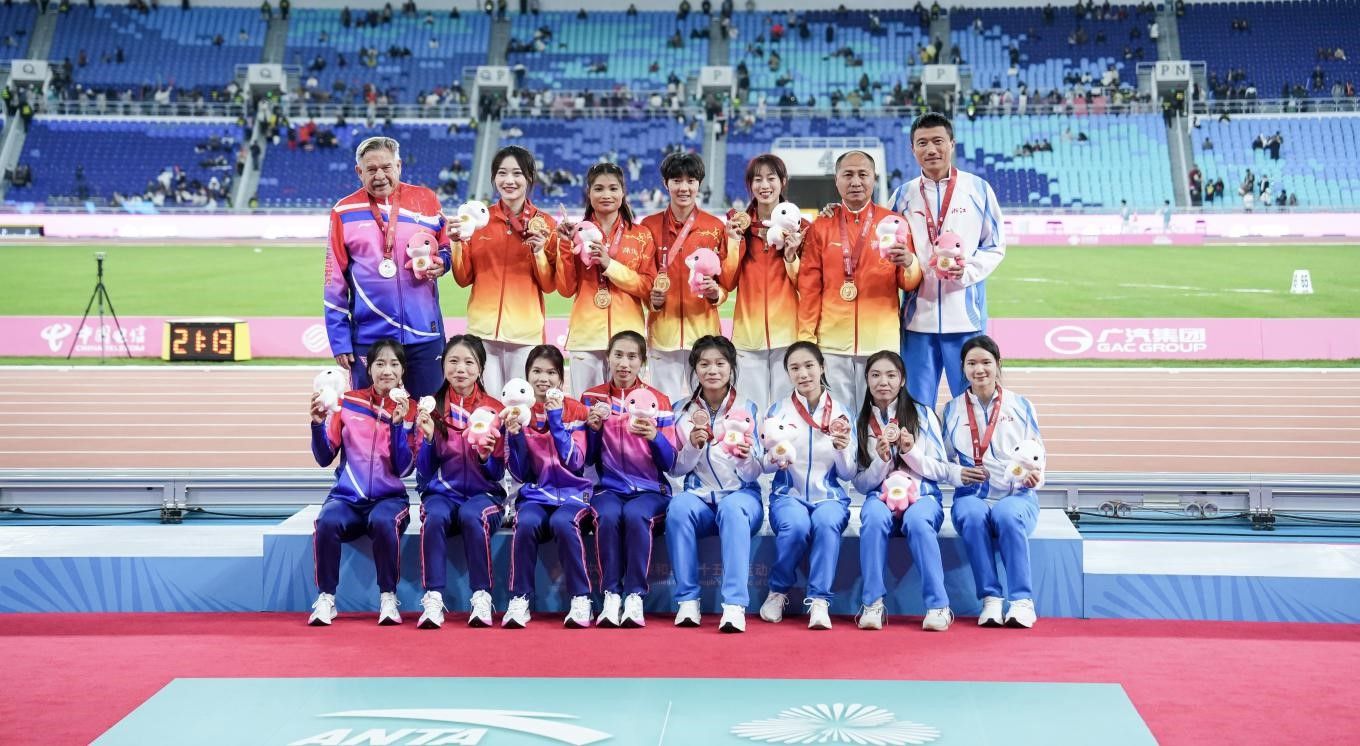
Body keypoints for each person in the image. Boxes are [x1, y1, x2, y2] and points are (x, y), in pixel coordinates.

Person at [889, 111, 1006, 410]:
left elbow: (995, 245)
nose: (931, 149)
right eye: (922, 143)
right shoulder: (902, 195)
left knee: (973, 404)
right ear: (912, 149)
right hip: (917, 321)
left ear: (952, 144)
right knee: (916, 407)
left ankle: (973, 445)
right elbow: (886, 243)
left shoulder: (978, 190)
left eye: (938, 141)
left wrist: (966, 271)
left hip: (965, 318)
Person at [324, 136, 450, 398]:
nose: (379, 175)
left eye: (386, 167)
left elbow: (446, 246)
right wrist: (339, 340)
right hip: (369, 337)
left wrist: (443, 262)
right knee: (369, 415)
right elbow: (333, 280)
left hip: (424, 333)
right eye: (371, 169)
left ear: (399, 166)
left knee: (430, 412)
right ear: (359, 172)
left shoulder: (426, 200)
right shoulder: (343, 211)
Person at [799, 151, 922, 409]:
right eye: (848, 175)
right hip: (832, 344)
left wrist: (909, 262)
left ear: (874, 179)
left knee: (880, 417)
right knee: (838, 418)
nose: (856, 181)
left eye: (863, 174)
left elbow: (908, 284)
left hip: (881, 342)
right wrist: (807, 339)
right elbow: (809, 288)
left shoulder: (894, 223)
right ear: (837, 181)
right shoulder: (821, 226)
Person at [307, 339, 417, 626]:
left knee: (383, 521)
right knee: (327, 521)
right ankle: (326, 598)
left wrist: (397, 425)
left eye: (394, 364)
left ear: (403, 370)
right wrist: (318, 424)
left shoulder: (411, 410)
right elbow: (324, 456)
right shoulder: (348, 402)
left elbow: (404, 468)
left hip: (389, 500)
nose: (387, 371)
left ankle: (388, 598)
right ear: (369, 369)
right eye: (380, 363)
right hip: (346, 500)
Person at [940, 335, 1045, 628]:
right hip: (971, 496)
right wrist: (957, 474)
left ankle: (1022, 601)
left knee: (1007, 515)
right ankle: (991, 599)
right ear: (962, 368)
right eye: (971, 363)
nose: (979, 370)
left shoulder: (1021, 405)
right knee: (973, 515)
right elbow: (940, 462)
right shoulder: (951, 410)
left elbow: (1038, 453)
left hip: (1016, 496)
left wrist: (1035, 479)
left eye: (986, 362)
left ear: (998, 364)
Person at [666, 336, 764, 632]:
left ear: (731, 367)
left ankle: (734, 605)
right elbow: (675, 468)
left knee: (732, 509)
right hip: (699, 499)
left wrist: (745, 459)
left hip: (742, 497)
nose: (712, 370)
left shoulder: (748, 408)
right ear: (694, 368)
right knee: (678, 507)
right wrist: (692, 447)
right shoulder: (681, 410)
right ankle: (687, 601)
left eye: (720, 363)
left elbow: (754, 473)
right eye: (704, 364)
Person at [582, 331, 678, 627]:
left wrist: (655, 438)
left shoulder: (659, 401)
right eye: (618, 355)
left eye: (632, 357)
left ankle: (635, 595)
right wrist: (593, 430)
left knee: (636, 515)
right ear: (608, 358)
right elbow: (587, 459)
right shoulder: (592, 398)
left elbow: (670, 462)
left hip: (651, 491)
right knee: (608, 516)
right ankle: (611, 594)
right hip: (609, 489)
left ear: (642, 362)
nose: (624, 363)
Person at [852, 351, 953, 631]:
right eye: (875, 375)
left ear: (903, 379)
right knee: (873, 518)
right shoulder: (861, 421)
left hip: (922, 496)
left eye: (891, 375)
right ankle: (872, 603)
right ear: (867, 380)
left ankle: (938, 606)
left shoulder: (923, 414)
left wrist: (910, 452)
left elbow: (941, 470)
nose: (883, 382)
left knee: (918, 521)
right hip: (880, 497)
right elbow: (860, 484)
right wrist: (881, 461)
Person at [758, 342, 857, 630]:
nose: (803, 374)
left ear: (822, 367)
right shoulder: (778, 411)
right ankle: (778, 591)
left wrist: (842, 449)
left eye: (809, 366)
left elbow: (848, 473)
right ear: (788, 373)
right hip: (788, 495)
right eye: (795, 368)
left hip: (830, 497)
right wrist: (774, 458)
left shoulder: (842, 413)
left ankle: (819, 600)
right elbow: (762, 465)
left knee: (826, 524)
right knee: (796, 526)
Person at [412, 335, 507, 629]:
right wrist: (429, 439)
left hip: (484, 496)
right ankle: (433, 598)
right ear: (443, 366)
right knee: (434, 515)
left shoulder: (495, 410)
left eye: (469, 362)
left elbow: (497, 473)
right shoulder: (430, 408)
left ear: (480, 368)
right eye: (453, 361)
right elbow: (423, 472)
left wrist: (486, 457)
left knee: (472, 515)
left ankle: (481, 596)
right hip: (442, 494)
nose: (460, 369)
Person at [449, 146, 558, 395]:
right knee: (486, 406)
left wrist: (539, 253)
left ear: (529, 177)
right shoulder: (479, 221)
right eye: (502, 173)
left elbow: (549, 285)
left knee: (521, 408)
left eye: (517, 173)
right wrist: (457, 243)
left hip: (525, 336)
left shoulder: (544, 224)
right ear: (494, 177)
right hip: (482, 334)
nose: (509, 180)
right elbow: (463, 278)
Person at [503, 344, 596, 628]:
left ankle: (581, 598)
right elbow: (520, 472)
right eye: (537, 371)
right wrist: (515, 437)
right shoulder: (519, 412)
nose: (543, 379)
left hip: (575, 495)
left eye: (551, 372)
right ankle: (519, 598)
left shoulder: (576, 410)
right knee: (527, 522)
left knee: (563, 523)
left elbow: (575, 462)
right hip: (536, 495)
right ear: (527, 376)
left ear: (561, 379)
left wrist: (555, 420)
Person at [555, 163, 657, 399]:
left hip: (627, 341)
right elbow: (566, 289)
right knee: (586, 410)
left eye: (613, 188)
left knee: (626, 410)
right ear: (589, 193)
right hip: (586, 337)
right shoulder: (575, 233)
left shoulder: (641, 235)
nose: (606, 195)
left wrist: (610, 266)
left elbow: (647, 286)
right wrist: (565, 247)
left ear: (623, 192)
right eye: (599, 189)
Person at [641, 152, 729, 398]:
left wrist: (716, 294)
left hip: (704, 335)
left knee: (706, 404)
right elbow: (644, 277)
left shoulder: (715, 227)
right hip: (663, 334)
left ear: (699, 184)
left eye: (691, 181)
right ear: (665, 183)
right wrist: (652, 299)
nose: (684, 188)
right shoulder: (649, 226)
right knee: (664, 405)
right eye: (677, 180)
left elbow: (726, 281)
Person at [725, 154, 806, 414]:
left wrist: (791, 257)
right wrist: (733, 243)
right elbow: (727, 282)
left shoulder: (802, 229)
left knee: (787, 413)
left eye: (771, 178)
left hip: (787, 337)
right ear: (750, 184)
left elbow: (806, 286)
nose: (764, 185)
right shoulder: (739, 226)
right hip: (748, 339)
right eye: (757, 179)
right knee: (749, 414)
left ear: (783, 182)